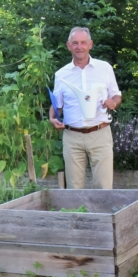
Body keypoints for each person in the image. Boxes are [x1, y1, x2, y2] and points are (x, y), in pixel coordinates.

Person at [48, 27, 121, 189]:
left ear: (90, 44)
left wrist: (113, 102)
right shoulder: (61, 74)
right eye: (75, 43)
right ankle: (78, 215)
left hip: (100, 134)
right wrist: (52, 118)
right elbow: (56, 105)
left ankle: (102, 215)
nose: (79, 47)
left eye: (83, 42)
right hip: (72, 136)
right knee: (74, 190)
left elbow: (116, 95)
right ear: (69, 46)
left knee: (104, 187)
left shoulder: (105, 68)